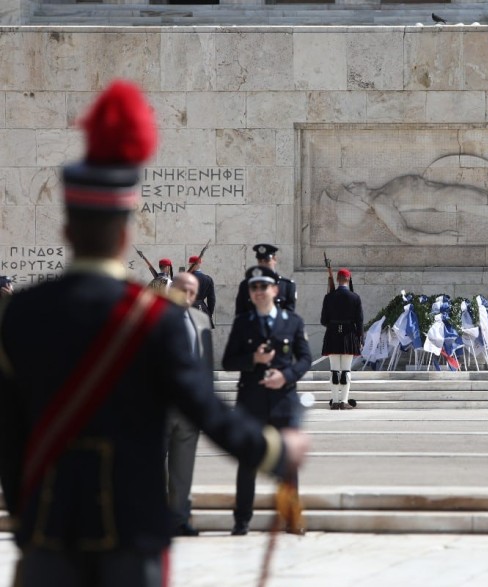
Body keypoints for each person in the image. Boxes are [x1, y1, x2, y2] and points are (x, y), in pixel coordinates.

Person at [0, 80, 308, 587]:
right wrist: (276, 451)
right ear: (126, 233)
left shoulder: (21, 315)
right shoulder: (154, 319)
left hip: (48, 535)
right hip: (131, 535)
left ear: (67, 230)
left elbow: (9, 435)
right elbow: (206, 413)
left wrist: (25, 517)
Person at [222, 265, 311, 536]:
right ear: (250, 293)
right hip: (251, 401)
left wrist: (285, 376)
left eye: (264, 286)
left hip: (283, 400)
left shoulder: (292, 321)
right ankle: (242, 519)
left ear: (275, 289)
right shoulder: (243, 323)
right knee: (247, 462)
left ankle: (291, 517)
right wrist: (254, 360)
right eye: (254, 287)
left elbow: (305, 358)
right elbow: (228, 361)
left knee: (287, 464)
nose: (259, 292)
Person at [165, 272, 211, 537]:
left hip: (189, 409)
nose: (188, 296)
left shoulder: (201, 320)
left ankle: (180, 518)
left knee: (183, 469)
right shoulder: (153, 318)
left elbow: (205, 365)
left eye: (193, 292)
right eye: (183, 290)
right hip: (159, 407)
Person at [321, 268, 364, 410]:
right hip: (349, 335)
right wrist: (360, 338)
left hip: (333, 334)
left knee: (334, 370)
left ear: (337, 279)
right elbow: (359, 321)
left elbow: (323, 320)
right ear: (348, 279)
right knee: (346, 370)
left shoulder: (329, 297)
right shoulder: (355, 297)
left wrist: (334, 324)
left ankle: (334, 401)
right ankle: (344, 401)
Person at [234, 244, 296, 316]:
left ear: (274, 259)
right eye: (260, 261)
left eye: (267, 260)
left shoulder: (287, 285)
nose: (263, 264)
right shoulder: (246, 285)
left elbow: (289, 316)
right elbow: (240, 314)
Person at [188, 255, 216, 328]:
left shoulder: (185, 278)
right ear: (199, 264)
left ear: (190, 264)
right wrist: (210, 313)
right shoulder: (208, 279)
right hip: (202, 309)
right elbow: (211, 299)